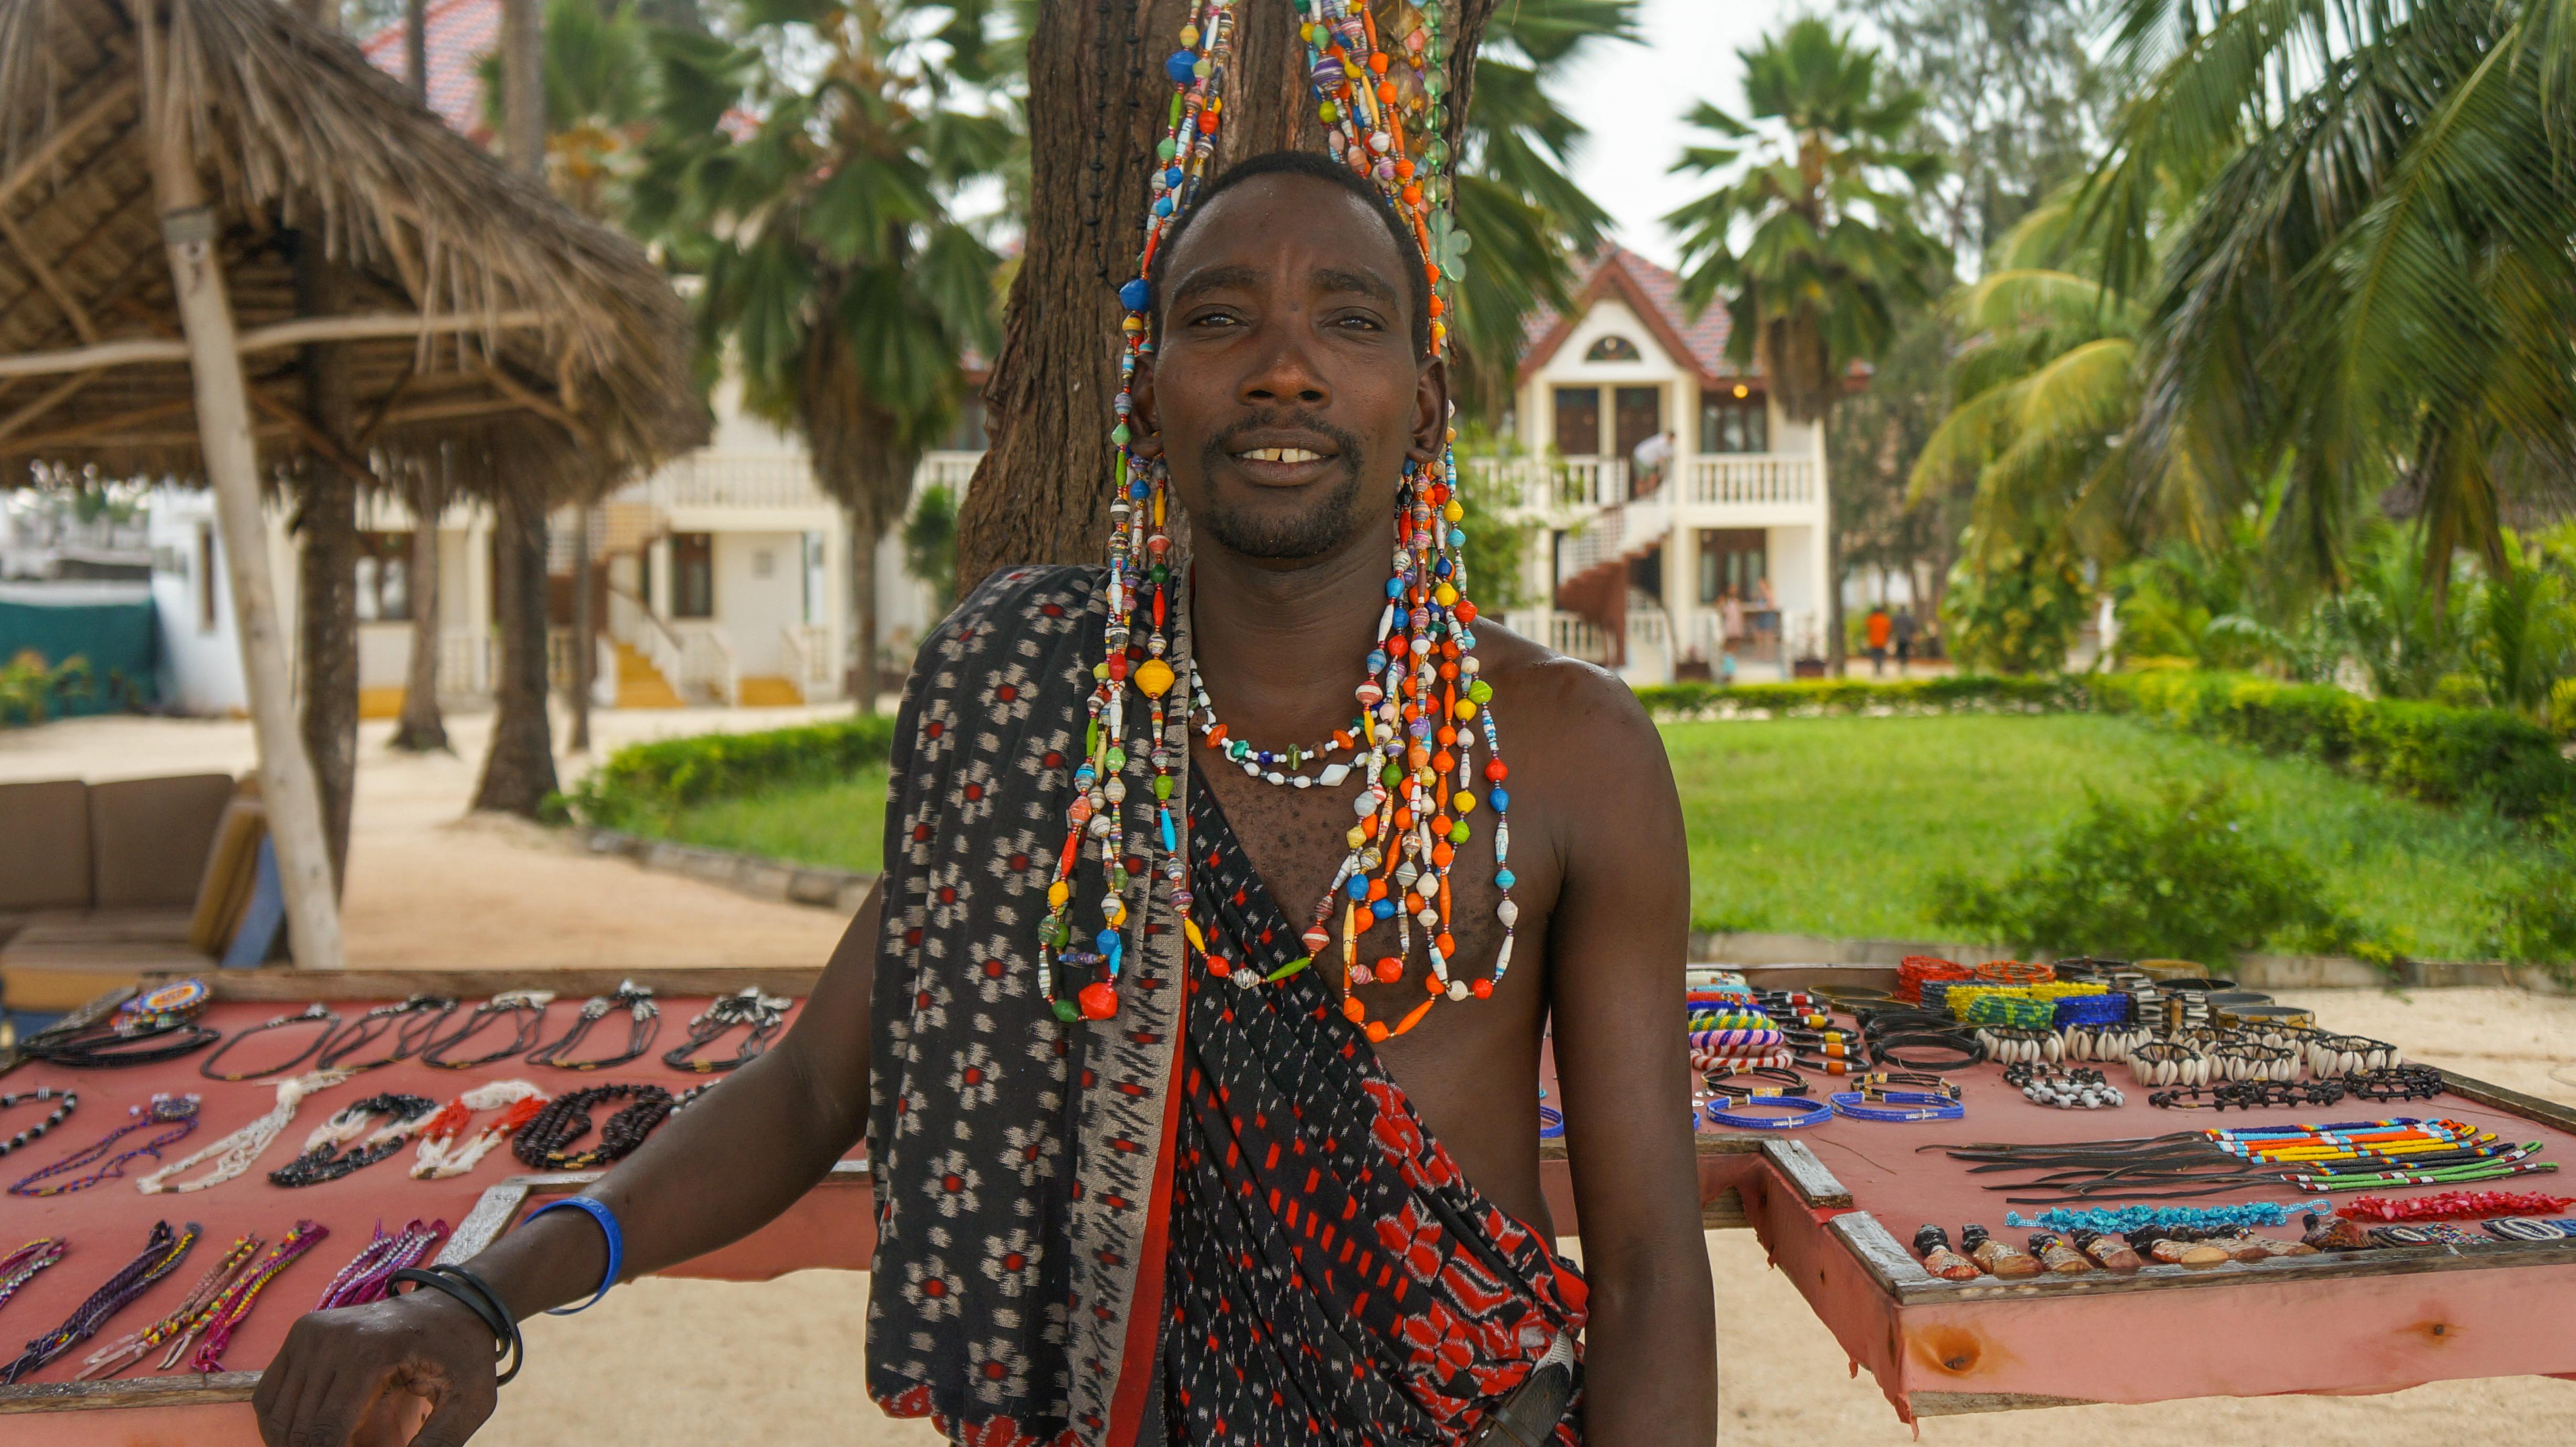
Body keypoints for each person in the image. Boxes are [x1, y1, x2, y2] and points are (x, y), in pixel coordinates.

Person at [253, 152, 1714, 1447]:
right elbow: (812, 1088)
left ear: (1426, 398)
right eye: (1219, 320)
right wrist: (477, 1293)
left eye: (1349, 318)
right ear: (1145, 395)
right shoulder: (1041, 716)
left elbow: (1649, 1269)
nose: (1284, 368)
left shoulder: (1575, 751)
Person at [1630, 428, 1675, 496]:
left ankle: (1650, 495)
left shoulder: (1664, 442)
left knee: (1653, 478)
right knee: (1642, 479)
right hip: (1642, 458)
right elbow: (1666, 455)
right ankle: (1641, 495)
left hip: (1651, 462)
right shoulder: (1662, 442)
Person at [1864, 603, 1892, 677]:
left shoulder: (1871, 619)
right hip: (1882, 641)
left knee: (1875, 656)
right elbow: (1888, 629)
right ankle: (1880, 670)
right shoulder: (1885, 619)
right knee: (1881, 656)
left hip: (1873, 641)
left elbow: (1867, 626)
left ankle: (1876, 670)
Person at [1893, 606, 1918, 674]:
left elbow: (1893, 627)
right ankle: (1905, 668)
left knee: (1900, 653)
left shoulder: (1897, 618)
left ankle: (1901, 667)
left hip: (1899, 638)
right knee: (1905, 653)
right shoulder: (1909, 618)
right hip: (1907, 638)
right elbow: (1913, 629)